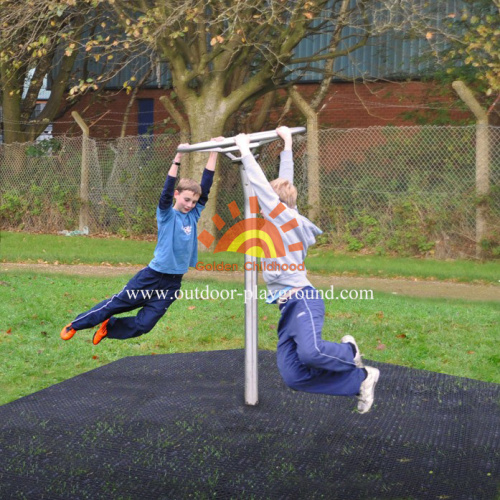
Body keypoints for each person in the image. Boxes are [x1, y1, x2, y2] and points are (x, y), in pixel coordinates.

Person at [234, 127, 380, 413]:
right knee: (294, 375)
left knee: (311, 353)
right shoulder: (290, 216)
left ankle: (350, 353)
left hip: (303, 299)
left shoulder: (280, 219)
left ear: (274, 206)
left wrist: (245, 150)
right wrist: (287, 143)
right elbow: (283, 181)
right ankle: (360, 381)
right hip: (287, 310)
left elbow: (262, 186)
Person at [60, 142, 220, 345]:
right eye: (186, 199)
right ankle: (76, 324)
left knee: (145, 325)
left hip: (172, 282)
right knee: (116, 304)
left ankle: (110, 327)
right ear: (177, 195)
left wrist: (215, 151)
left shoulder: (193, 215)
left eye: (193, 202)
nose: (190, 205)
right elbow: (167, 190)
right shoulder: (167, 214)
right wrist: (178, 157)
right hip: (152, 276)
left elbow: (206, 186)